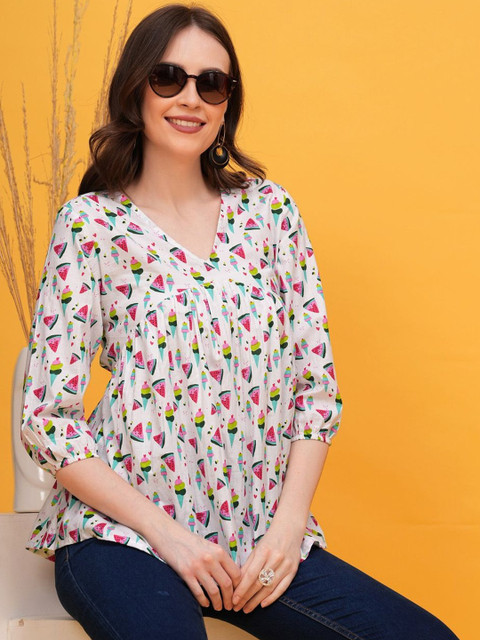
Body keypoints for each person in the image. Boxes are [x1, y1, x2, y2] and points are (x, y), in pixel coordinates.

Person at [20, 4, 459, 639]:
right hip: (124, 537)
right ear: (135, 90)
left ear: (228, 103)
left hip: (257, 541)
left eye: (211, 83)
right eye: (168, 77)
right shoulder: (91, 225)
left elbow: (316, 393)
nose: (190, 98)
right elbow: (47, 419)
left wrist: (287, 533)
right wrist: (170, 537)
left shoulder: (270, 213)